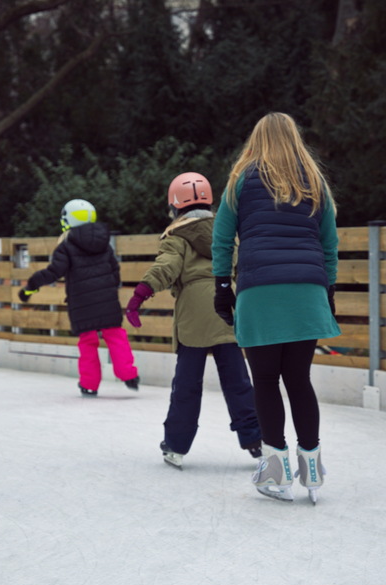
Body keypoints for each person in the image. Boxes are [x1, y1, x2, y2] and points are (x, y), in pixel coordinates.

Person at [211, 112, 340, 504]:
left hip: (260, 292)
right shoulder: (315, 183)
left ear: (257, 139)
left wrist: (221, 286)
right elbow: (329, 242)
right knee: (298, 379)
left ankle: (276, 470)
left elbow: (222, 237)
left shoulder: (241, 180)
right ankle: (312, 466)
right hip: (306, 293)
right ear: (295, 139)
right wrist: (327, 289)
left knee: (265, 381)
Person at [125, 173, 262, 468]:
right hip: (228, 310)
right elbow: (242, 267)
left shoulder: (177, 236)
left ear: (175, 206)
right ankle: (255, 440)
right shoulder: (225, 232)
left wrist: (140, 295)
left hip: (193, 320)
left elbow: (166, 267)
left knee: (187, 384)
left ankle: (176, 444)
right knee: (238, 381)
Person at [18, 199, 139, 397]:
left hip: (82, 304)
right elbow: (114, 271)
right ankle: (129, 375)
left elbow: (53, 272)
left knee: (88, 342)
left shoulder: (66, 246)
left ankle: (89, 384)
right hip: (107, 299)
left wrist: (30, 287)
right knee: (115, 335)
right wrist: (109, 289)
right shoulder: (104, 244)